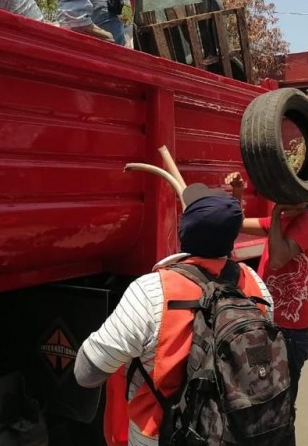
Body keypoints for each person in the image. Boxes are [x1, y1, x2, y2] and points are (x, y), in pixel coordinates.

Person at [73, 183, 272, 446]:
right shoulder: (256, 285)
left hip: (163, 434)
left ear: (185, 229)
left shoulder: (151, 291)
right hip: (236, 432)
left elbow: (86, 373)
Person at [225, 172, 308, 411]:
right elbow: (237, 224)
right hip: (267, 326)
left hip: (289, 333)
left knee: (282, 409)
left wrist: (277, 212)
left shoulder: (306, 224)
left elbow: (278, 259)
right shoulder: (281, 222)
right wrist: (237, 193)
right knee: (262, 401)